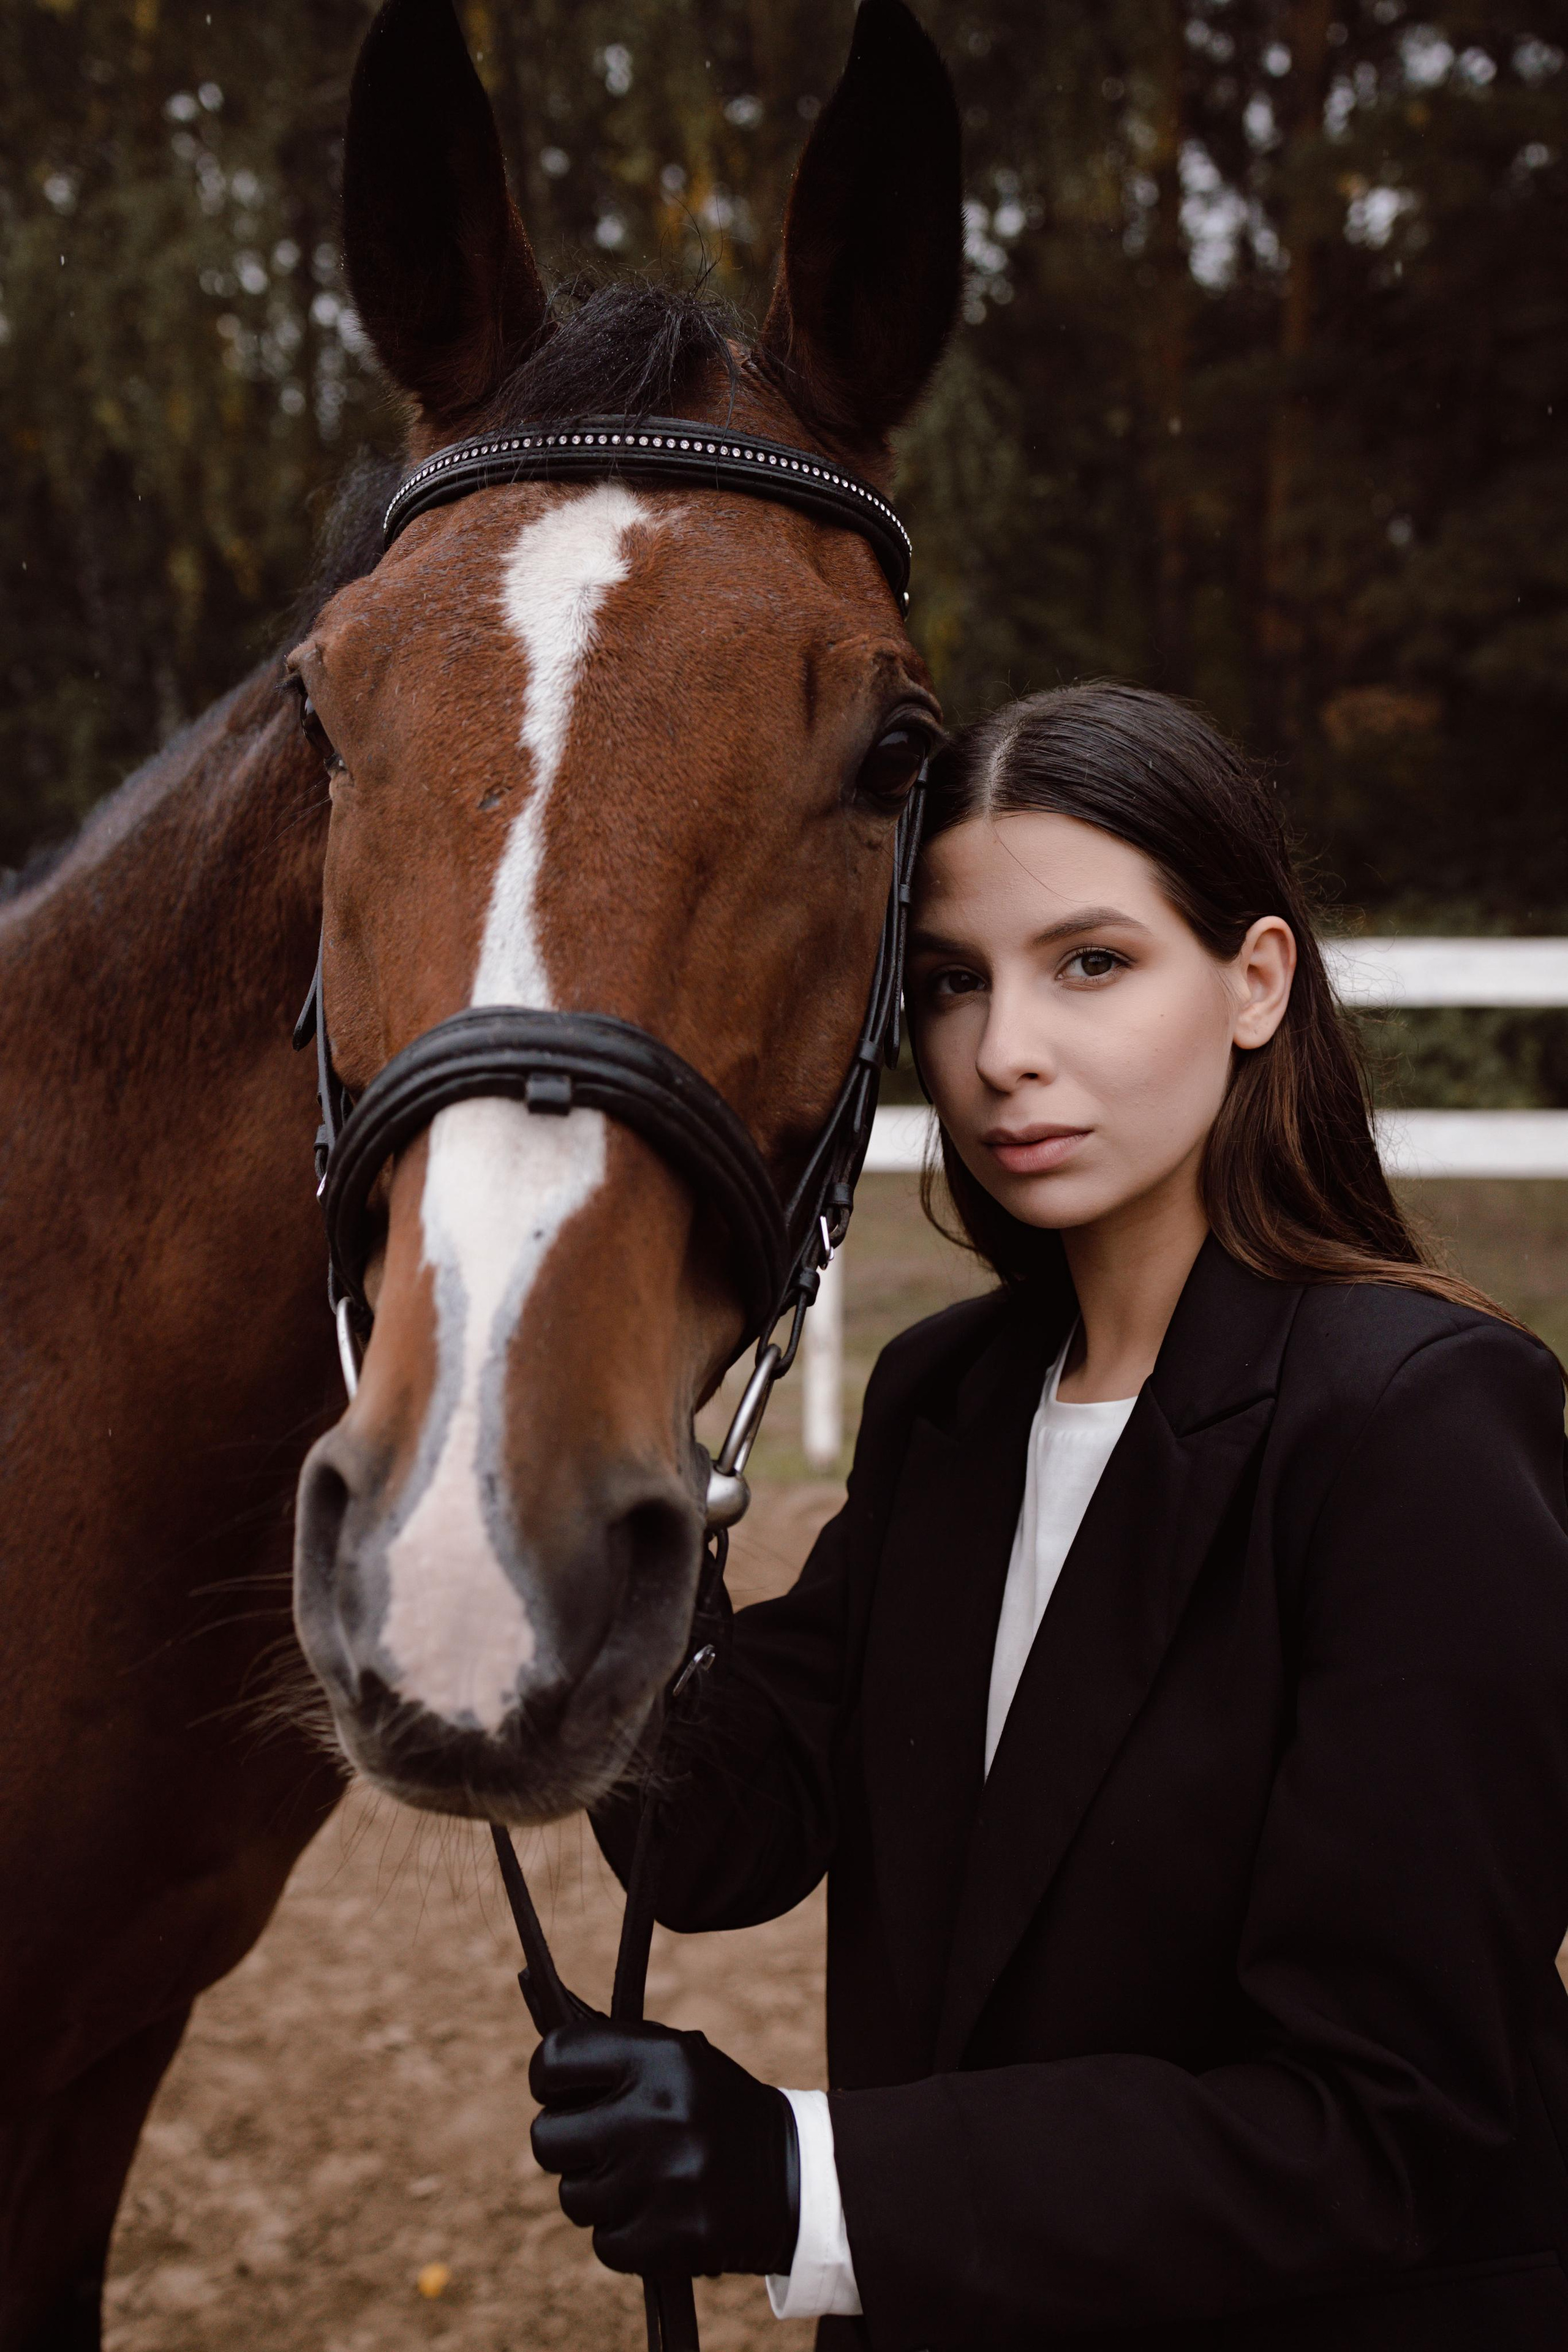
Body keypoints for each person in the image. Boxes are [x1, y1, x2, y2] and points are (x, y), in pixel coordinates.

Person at [530, 681, 1568, 2349]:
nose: (1004, 1050)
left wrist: (806, 2177)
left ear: (1254, 983)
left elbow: (1383, 2127)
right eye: (950, 983)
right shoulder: (950, 1397)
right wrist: (593, 1412)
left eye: (1092, 961)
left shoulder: (1420, 1421)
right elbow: (714, 1832)